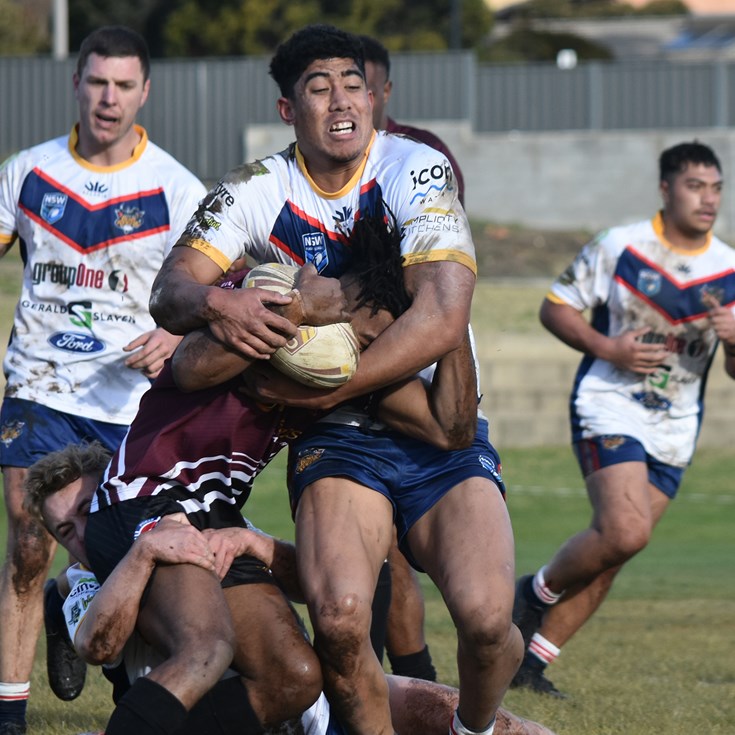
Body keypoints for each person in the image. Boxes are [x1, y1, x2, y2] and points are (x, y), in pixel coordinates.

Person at [148, 24, 521, 735]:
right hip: (338, 441)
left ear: (373, 96)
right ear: (289, 110)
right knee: (343, 620)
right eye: (319, 89)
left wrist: (328, 384)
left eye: (353, 84)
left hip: (433, 424)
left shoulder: (415, 167)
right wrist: (222, 303)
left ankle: (471, 729)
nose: (341, 100)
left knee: (484, 619)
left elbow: (443, 317)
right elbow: (170, 291)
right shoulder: (254, 188)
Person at [23, 443, 557, 735]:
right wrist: (142, 555)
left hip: (316, 706)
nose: (83, 534)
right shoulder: (87, 580)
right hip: (217, 721)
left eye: (88, 512)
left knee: (522, 732)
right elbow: (100, 644)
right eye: (66, 530)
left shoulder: (194, 519)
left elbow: (320, 586)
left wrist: (257, 545)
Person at [0, 25, 206, 734]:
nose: (107, 98)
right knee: (29, 537)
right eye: (96, 82)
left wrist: (174, 335)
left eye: (122, 85)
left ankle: (74, 602)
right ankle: (9, 715)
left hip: (131, 404)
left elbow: (216, 292)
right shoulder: (28, 173)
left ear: (144, 92)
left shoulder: (176, 189)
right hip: (40, 383)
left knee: (114, 552)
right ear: (76, 84)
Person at [511, 140, 735, 698]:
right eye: (695, 186)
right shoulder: (621, 246)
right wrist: (609, 348)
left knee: (617, 550)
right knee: (625, 530)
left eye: (716, 188)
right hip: (609, 403)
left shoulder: (729, 269)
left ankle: (528, 666)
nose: (708, 199)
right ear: (666, 188)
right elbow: (555, 308)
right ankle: (532, 594)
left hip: (676, 425)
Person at [360, 34, 465, 206]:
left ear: (386, 92)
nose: (351, 104)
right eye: (349, 89)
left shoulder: (428, 150)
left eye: (365, 93)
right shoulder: (322, 156)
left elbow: (451, 220)